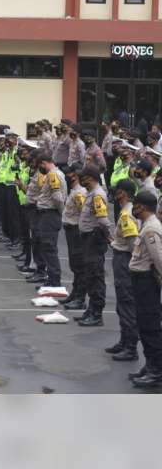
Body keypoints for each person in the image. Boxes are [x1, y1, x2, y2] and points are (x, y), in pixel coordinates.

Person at [127, 191, 162, 387]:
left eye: (136, 205)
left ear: (142, 207)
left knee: (150, 327)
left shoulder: (150, 229)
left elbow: (159, 259)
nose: (134, 208)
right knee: (144, 325)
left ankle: (156, 371)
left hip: (147, 282)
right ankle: (150, 365)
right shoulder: (147, 226)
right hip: (141, 281)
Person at [106, 179, 141, 361]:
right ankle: (124, 340)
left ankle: (130, 347)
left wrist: (114, 244)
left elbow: (133, 243)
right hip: (122, 256)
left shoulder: (127, 214)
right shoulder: (128, 210)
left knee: (126, 303)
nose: (115, 194)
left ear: (124, 193)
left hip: (124, 260)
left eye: (117, 191)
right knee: (122, 304)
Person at [76, 165, 113, 327]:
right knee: (89, 275)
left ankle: (97, 313)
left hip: (94, 238)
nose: (81, 180)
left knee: (95, 275)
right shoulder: (91, 193)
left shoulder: (97, 195)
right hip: (88, 238)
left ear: (90, 178)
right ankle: (91, 309)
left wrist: (110, 238)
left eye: (83, 177)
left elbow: (103, 219)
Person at [29, 153, 67, 287]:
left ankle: (54, 281)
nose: (40, 168)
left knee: (49, 249)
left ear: (44, 162)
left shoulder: (52, 175)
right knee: (47, 248)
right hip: (48, 215)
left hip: (50, 215)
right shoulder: (55, 174)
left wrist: (62, 213)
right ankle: (51, 279)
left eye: (40, 165)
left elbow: (57, 198)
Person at [59, 163, 87, 309]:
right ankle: (75, 294)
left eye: (69, 173)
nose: (67, 176)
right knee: (74, 265)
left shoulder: (80, 193)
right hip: (71, 232)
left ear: (75, 175)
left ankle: (80, 297)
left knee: (79, 265)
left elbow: (84, 214)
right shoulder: (74, 190)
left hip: (76, 232)